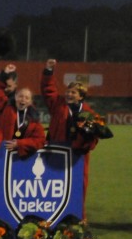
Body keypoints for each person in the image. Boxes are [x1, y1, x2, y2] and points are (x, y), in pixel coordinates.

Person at [41, 58, 106, 209]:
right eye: (68, 91)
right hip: (56, 151)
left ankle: (76, 218)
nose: (69, 94)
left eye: (73, 92)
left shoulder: (89, 113)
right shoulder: (58, 104)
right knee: (53, 185)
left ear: (81, 96)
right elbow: (48, 90)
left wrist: (83, 145)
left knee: (77, 186)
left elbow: (94, 139)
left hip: (77, 156)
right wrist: (48, 72)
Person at [0, 64, 45, 158]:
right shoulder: (6, 106)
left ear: (30, 102)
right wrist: (4, 74)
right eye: (20, 96)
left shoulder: (34, 118)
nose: (23, 100)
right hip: (0, 153)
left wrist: (20, 144)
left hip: (22, 158)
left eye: (27, 98)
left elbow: (40, 140)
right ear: (15, 97)